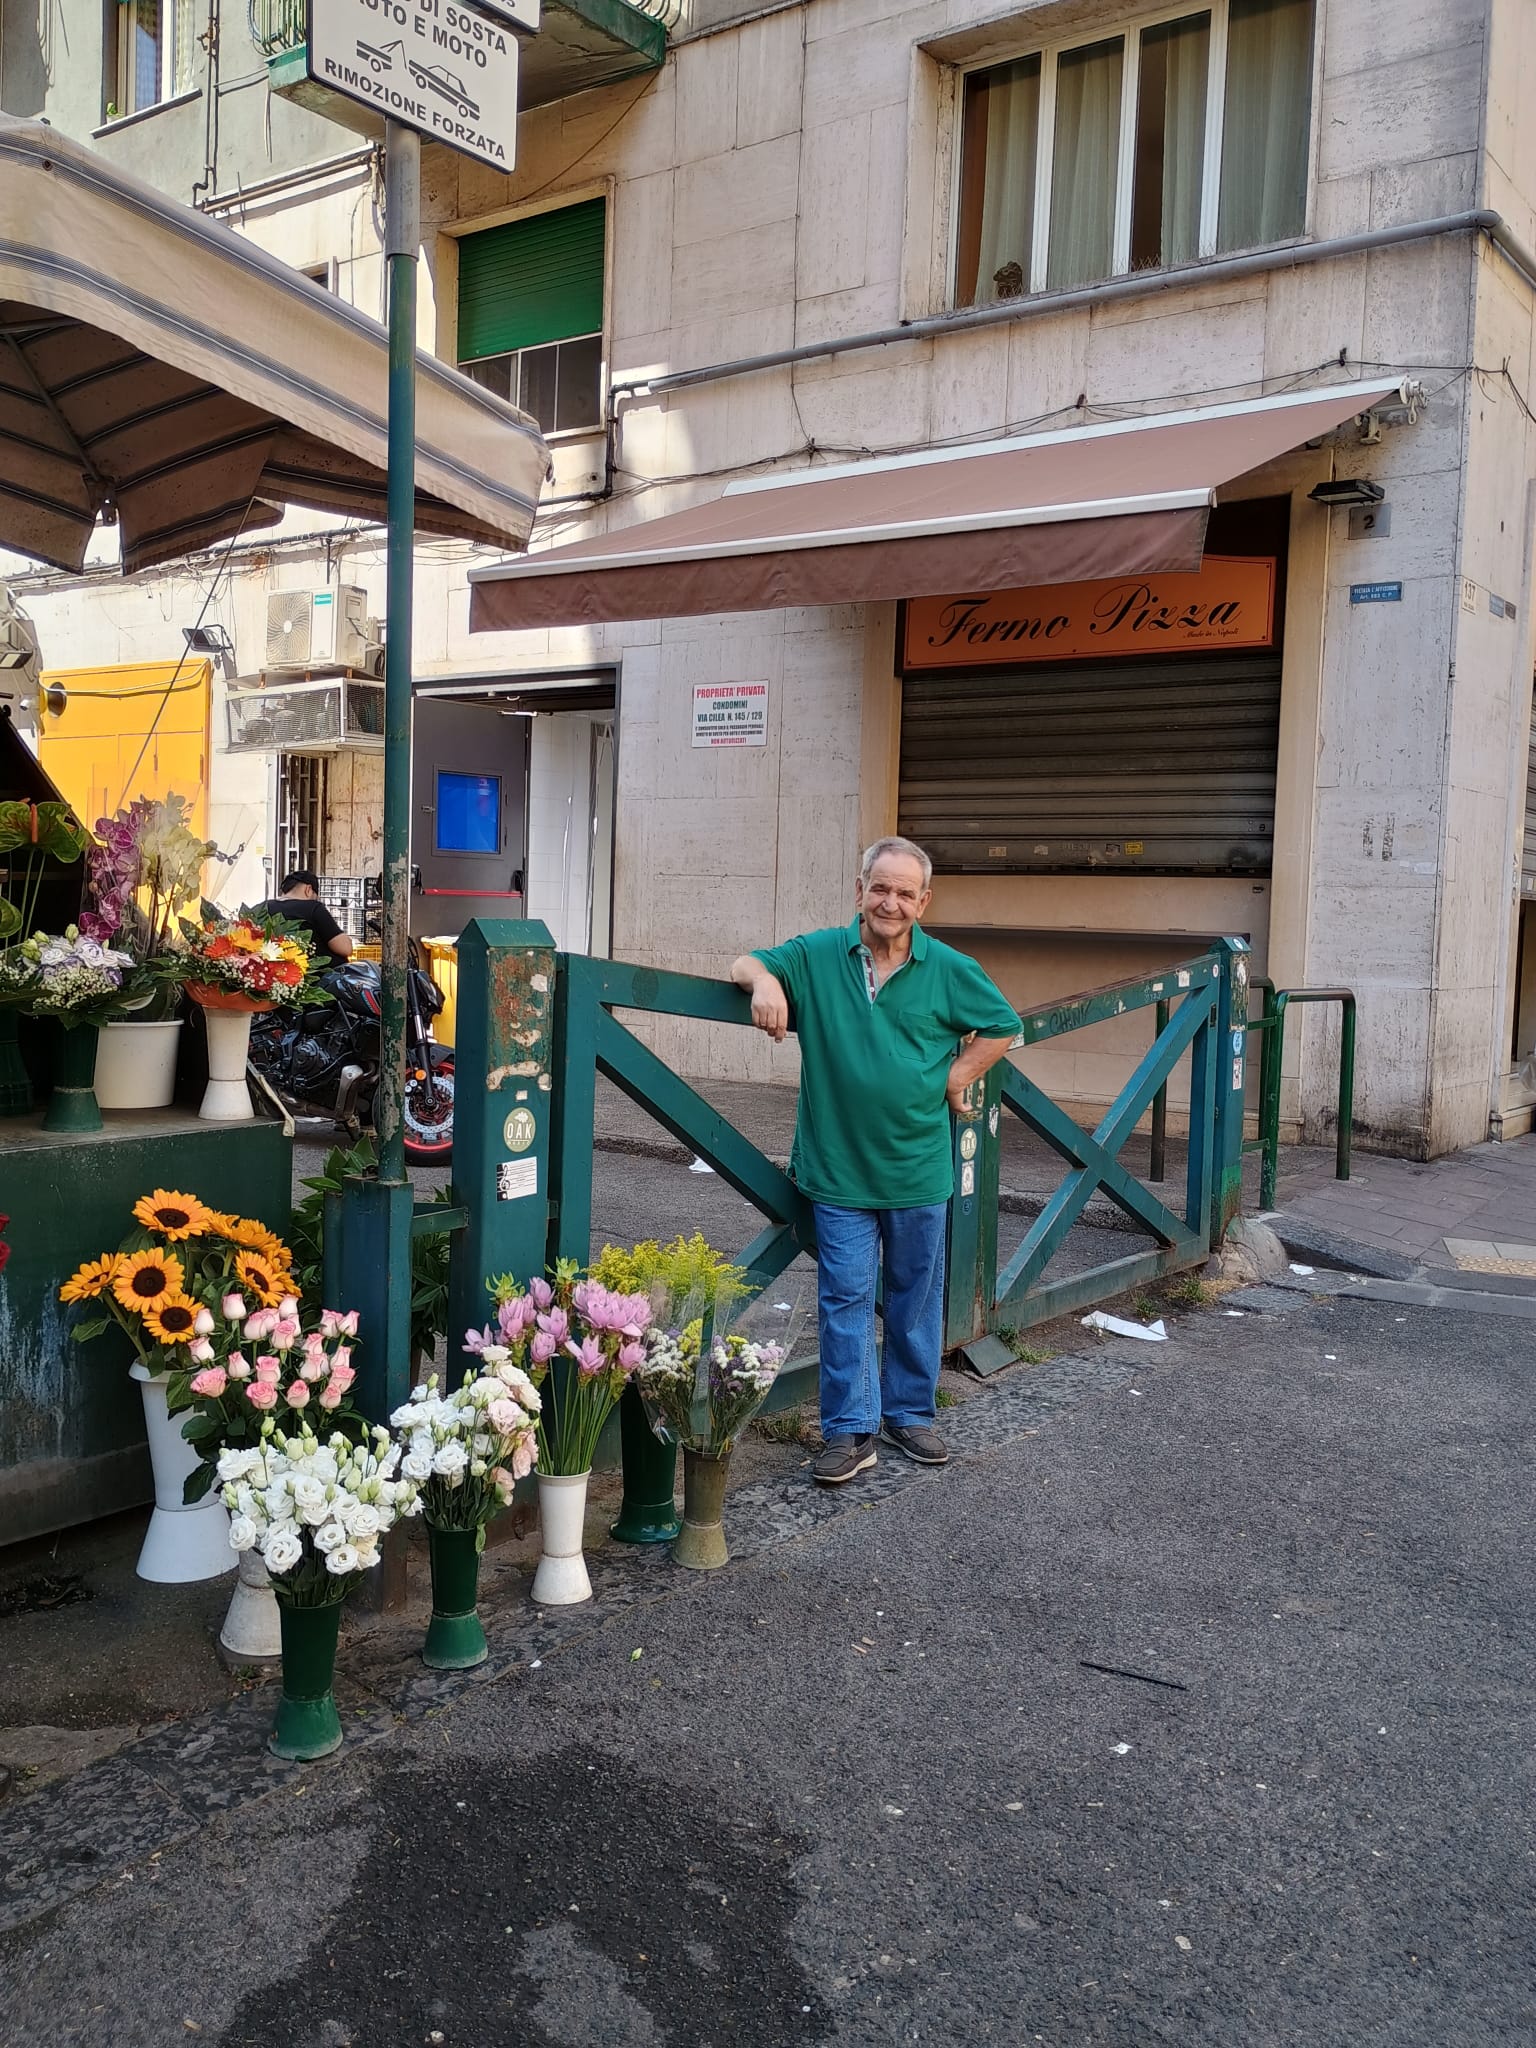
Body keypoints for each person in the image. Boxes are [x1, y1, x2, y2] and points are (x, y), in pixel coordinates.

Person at [732, 836, 1021, 1484]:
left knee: (914, 1298)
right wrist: (769, 982)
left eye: (903, 892)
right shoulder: (817, 955)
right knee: (846, 1298)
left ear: (924, 902)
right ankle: (850, 1430)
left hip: (919, 1170)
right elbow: (744, 962)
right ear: (860, 891)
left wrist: (959, 1075)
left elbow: (1002, 1024)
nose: (889, 902)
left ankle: (910, 1413)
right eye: (879, 888)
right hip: (839, 1171)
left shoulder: (948, 968)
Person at [254, 869, 353, 960]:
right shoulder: (313, 907)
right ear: (308, 890)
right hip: (319, 975)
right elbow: (345, 948)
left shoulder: (261, 908)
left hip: (270, 972)